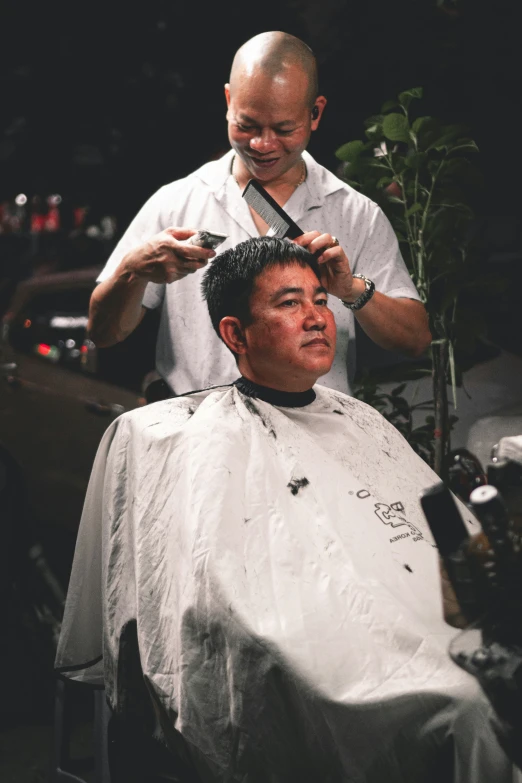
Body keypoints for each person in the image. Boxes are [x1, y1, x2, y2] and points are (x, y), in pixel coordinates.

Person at [58, 237, 517, 783]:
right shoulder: (213, 439)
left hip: (429, 622)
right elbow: (225, 602)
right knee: (474, 702)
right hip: (331, 648)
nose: (317, 318)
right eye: (289, 303)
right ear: (235, 334)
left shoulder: (358, 418)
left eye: (320, 300)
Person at [88, 31, 431, 398]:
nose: (262, 145)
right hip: (199, 441)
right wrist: (133, 269)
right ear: (227, 100)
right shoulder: (176, 202)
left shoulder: (356, 214)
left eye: (284, 129)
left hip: (315, 443)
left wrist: (351, 289)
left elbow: (414, 340)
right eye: (246, 125)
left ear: (315, 113)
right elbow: (103, 333)